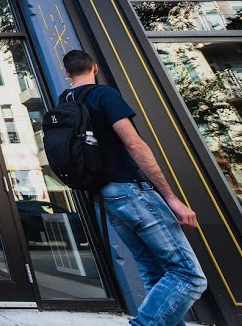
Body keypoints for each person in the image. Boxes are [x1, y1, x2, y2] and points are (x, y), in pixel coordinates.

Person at [62, 49, 207, 326]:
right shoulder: (104, 95)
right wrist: (172, 198)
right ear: (95, 67)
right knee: (188, 275)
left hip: (104, 196)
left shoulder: (65, 103)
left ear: (67, 73)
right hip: (131, 191)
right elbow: (134, 144)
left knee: (153, 270)